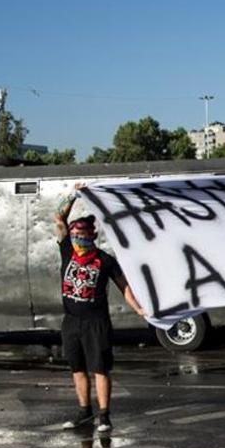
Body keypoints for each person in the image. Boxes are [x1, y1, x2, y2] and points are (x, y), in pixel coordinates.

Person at [53, 183, 146, 433]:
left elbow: (123, 286)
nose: (78, 240)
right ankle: (84, 412)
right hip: (71, 322)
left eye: (82, 236)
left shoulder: (104, 260)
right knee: (78, 368)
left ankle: (104, 416)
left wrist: (138, 308)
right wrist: (74, 194)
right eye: (75, 236)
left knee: (100, 369)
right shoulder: (67, 252)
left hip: (97, 323)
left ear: (91, 236)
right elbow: (59, 217)